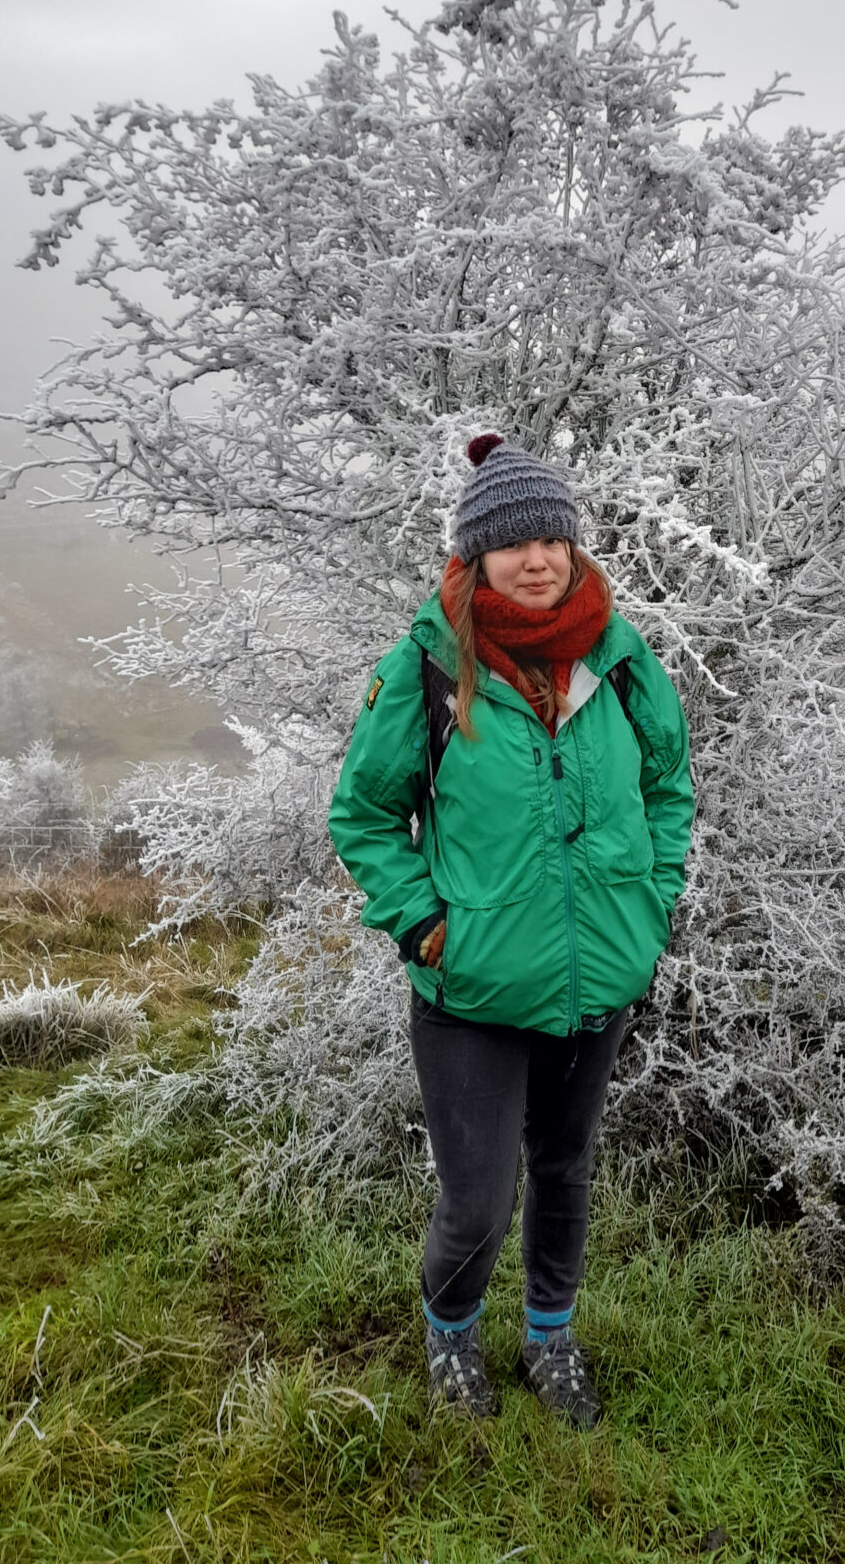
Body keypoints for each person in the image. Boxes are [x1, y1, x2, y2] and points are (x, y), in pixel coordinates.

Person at [328, 433, 695, 1427]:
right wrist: (425, 924)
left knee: (567, 1171)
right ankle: (452, 1334)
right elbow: (362, 814)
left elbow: (667, 788)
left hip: (595, 981)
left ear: (573, 548)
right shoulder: (430, 666)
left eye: (553, 539)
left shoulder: (620, 658)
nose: (537, 560)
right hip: (475, 986)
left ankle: (549, 1337)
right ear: (476, 553)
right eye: (513, 542)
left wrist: (648, 902)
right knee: (480, 1199)